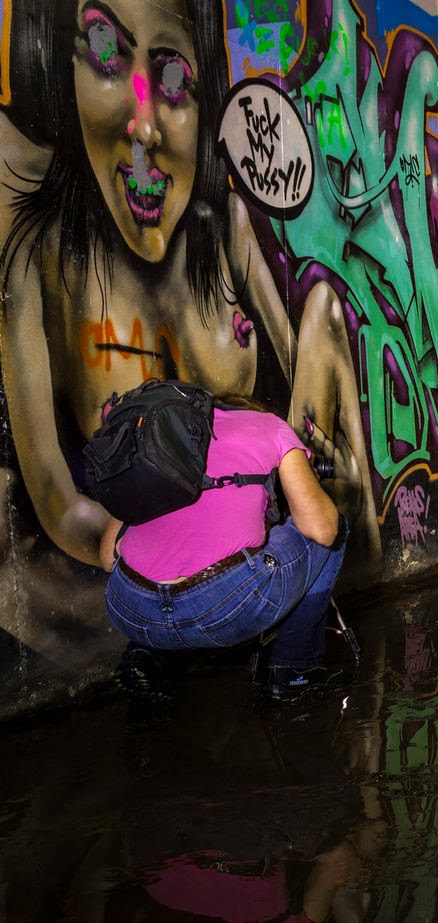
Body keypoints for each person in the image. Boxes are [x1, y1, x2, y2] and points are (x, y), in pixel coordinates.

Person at [0, 0, 380, 575]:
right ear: (59, 66)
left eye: (175, 76)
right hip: (151, 568)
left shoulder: (227, 228)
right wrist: (167, 554)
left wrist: (333, 488)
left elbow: (296, 409)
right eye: (104, 49)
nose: (146, 125)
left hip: (252, 538)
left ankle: (361, 579)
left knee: (325, 310)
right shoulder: (40, 257)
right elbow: (59, 504)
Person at [99, 394, 349, 701]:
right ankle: (294, 669)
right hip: (224, 613)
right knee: (332, 525)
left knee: (163, 557)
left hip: (130, 613)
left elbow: (107, 556)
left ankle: (145, 657)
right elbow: (322, 529)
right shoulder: (271, 427)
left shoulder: (159, 440)